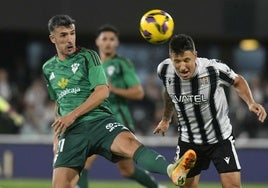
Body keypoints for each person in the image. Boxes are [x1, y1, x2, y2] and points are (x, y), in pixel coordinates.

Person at [42, 15, 197, 188]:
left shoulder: (89, 56)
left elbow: (102, 92)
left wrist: (73, 115)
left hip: (99, 121)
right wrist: (57, 137)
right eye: (63, 35)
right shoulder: (48, 68)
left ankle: (172, 170)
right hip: (72, 132)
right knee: (61, 185)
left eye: (72, 33)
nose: (70, 39)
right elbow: (59, 103)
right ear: (52, 38)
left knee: (131, 145)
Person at [154, 34, 267, 188]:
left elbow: (238, 81)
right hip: (189, 141)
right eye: (177, 61)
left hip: (220, 138)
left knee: (232, 186)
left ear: (195, 56)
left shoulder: (213, 69)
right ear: (170, 58)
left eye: (186, 60)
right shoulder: (164, 70)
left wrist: (250, 102)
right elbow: (168, 92)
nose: (182, 67)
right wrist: (166, 119)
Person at [76, 24, 164, 188]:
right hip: (95, 120)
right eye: (105, 39)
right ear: (97, 41)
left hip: (118, 120)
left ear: (116, 43)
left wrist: (113, 89)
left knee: (127, 171)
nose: (108, 42)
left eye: (112, 39)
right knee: (83, 163)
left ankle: (158, 187)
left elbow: (138, 92)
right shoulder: (90, 65)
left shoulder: (122, 64)